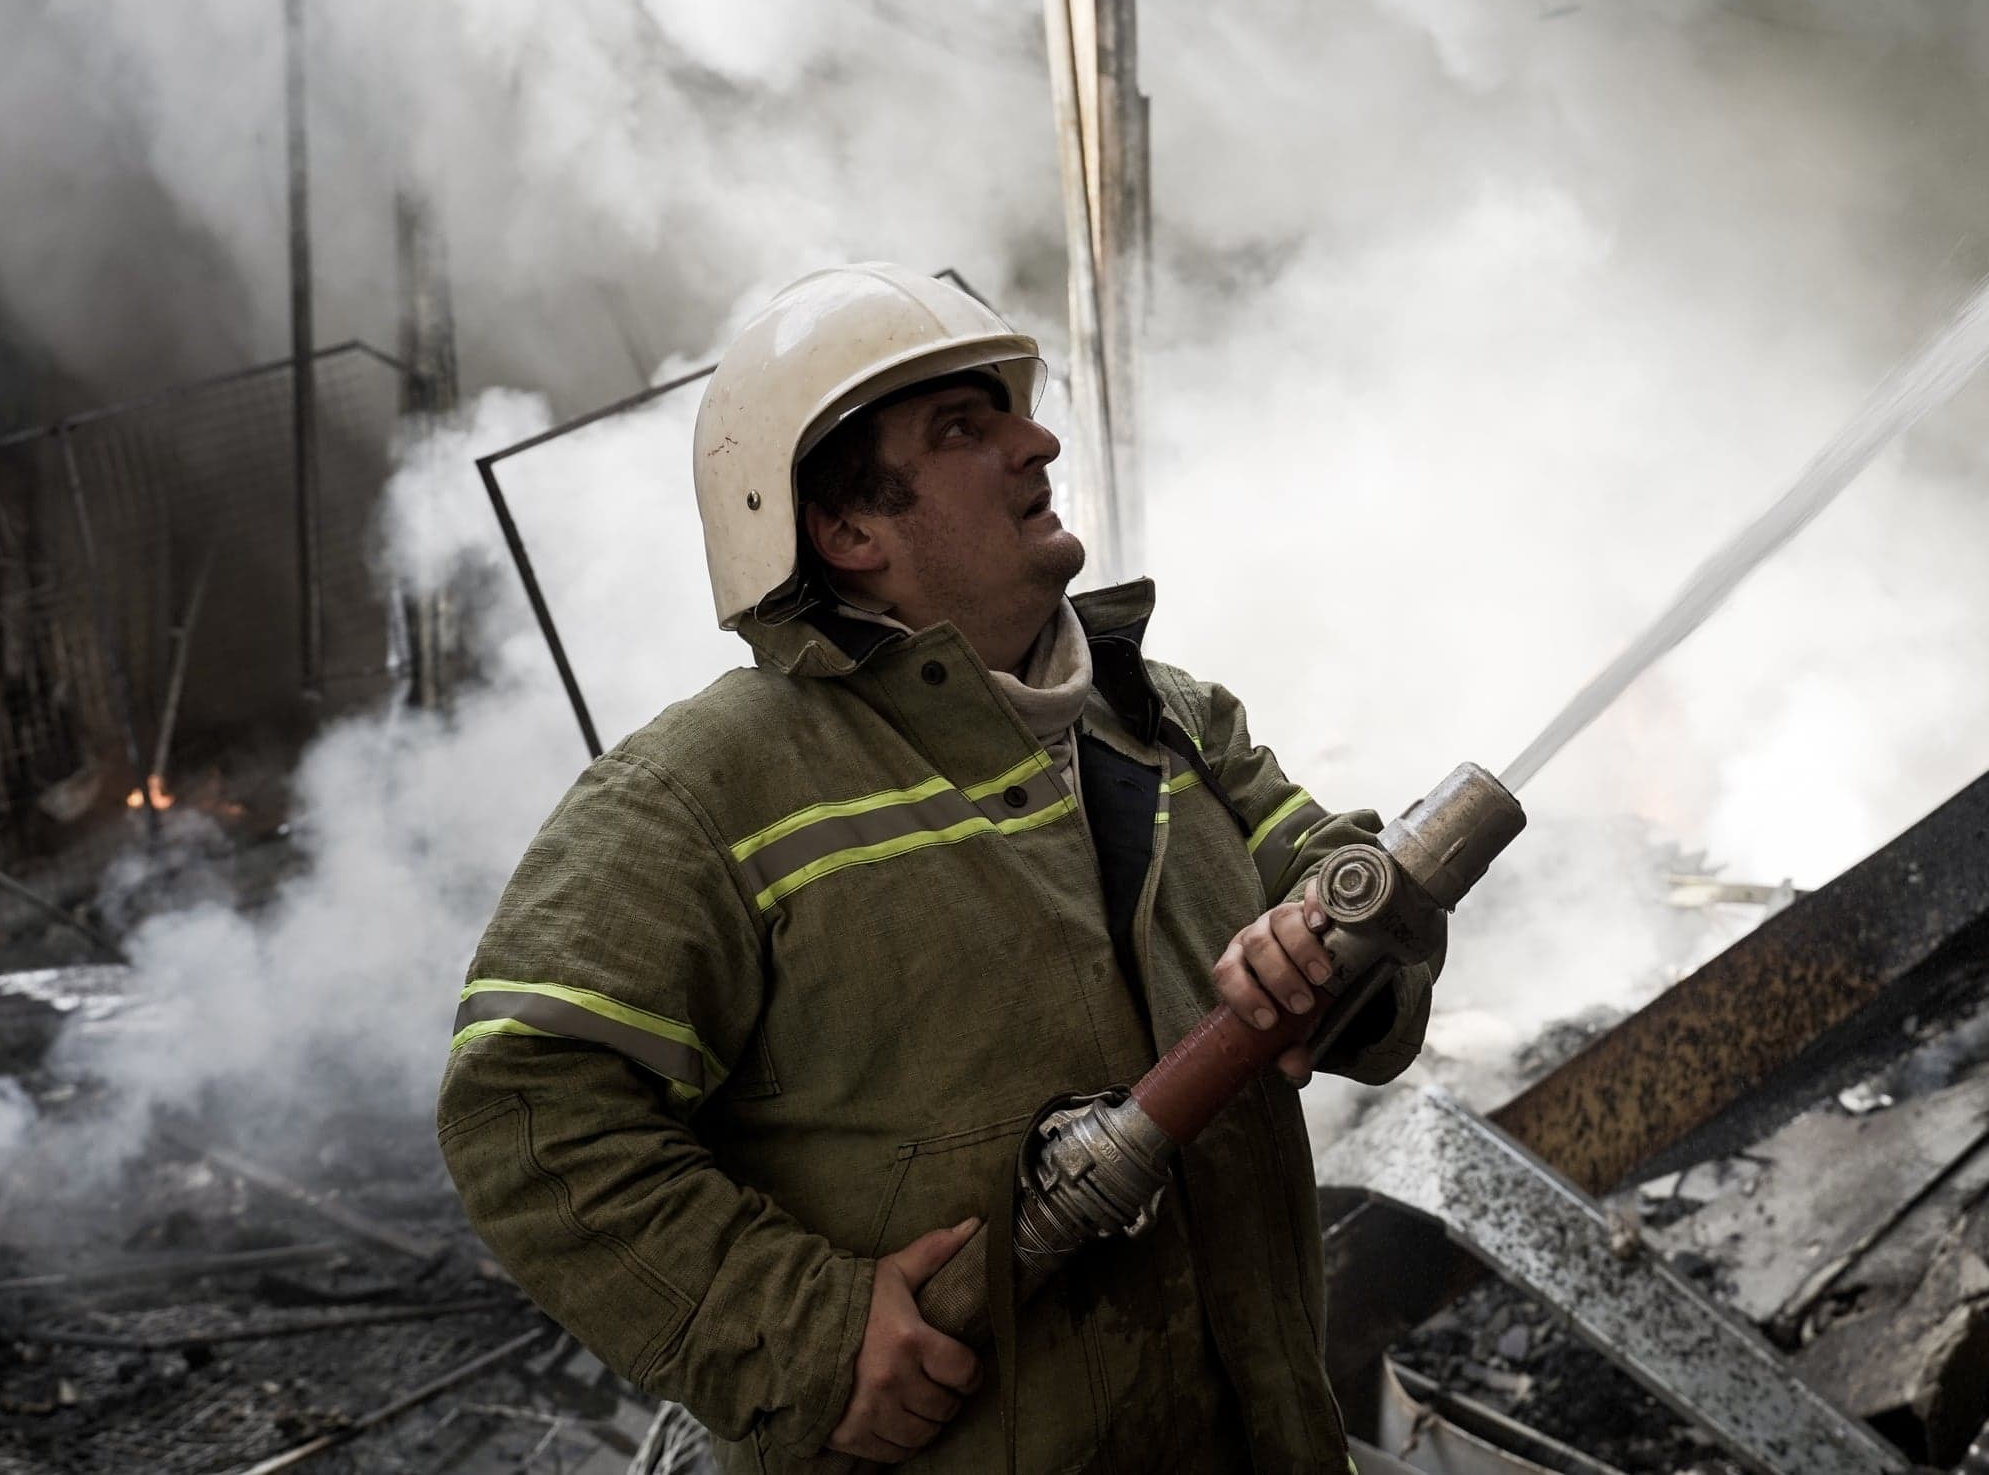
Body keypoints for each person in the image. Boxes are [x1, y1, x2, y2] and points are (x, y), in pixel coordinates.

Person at [438, 263, 1440, 1473]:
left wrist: (1332, 953)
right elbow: (528, 1105)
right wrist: (797, 1335)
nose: (1038, 440)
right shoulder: (706, 789)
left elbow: (1350, 901)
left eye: (1007, 409)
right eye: (964, 428)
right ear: (849, 529)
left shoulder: (1169, 719)